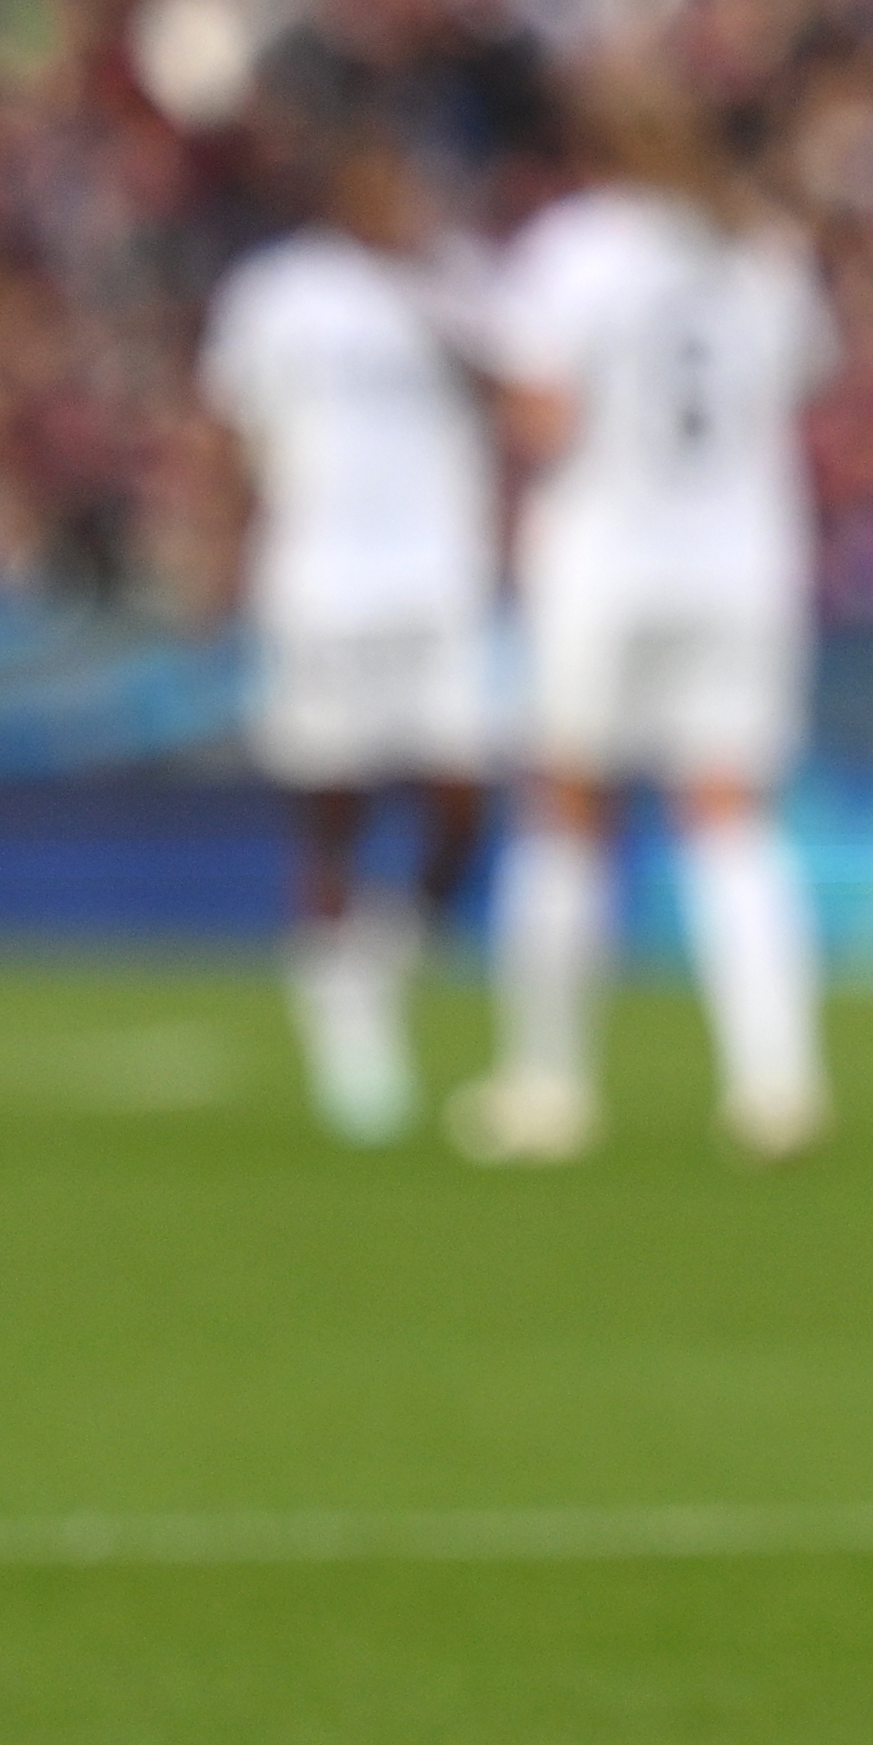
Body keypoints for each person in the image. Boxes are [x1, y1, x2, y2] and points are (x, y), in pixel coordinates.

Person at [464, 63, 839, 1166]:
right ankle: (778, 1083)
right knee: (733, 817)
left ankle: (548, 1085)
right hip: (742, 559)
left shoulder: (576, 250)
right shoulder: (763, 249)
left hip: (606, 560)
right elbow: (797, 386)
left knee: (569, 811)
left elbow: (541, 414)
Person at [198, 82, 500, 1146]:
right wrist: (213, 551)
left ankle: (375, 966)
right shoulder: (279, 294)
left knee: (462, 799)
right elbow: (227, 430)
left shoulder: (457, 281)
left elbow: (519, 399)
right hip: (319, 575)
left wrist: (435, 298)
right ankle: (347, 1038)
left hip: (436, 579)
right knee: (333, 803)